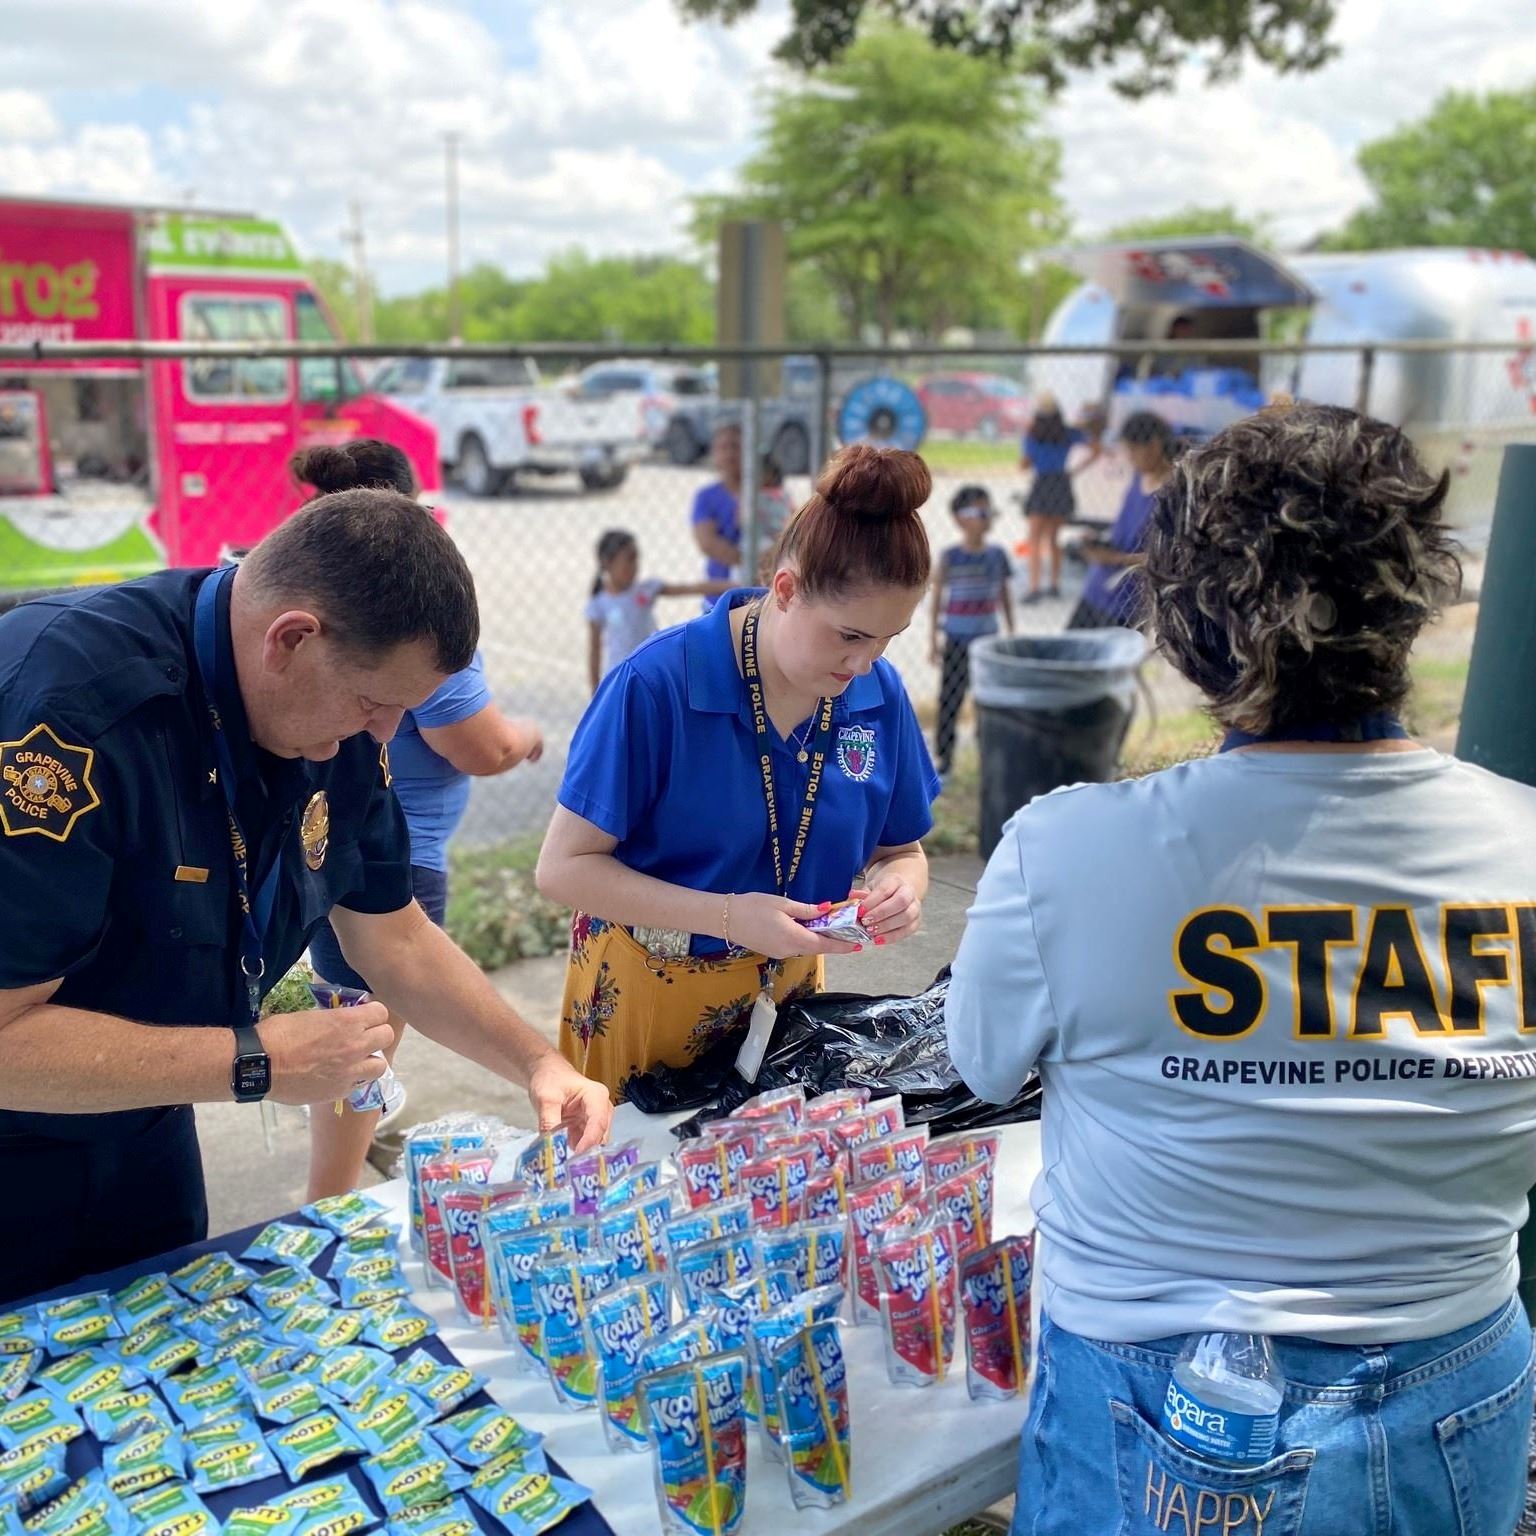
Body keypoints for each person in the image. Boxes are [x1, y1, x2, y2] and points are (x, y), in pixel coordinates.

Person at [946, 402, 1536, 1536]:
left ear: (1183, 626)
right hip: (1451, 1390)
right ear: (1412, 603)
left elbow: (981, 1058)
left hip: (1143, 1391)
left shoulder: (1067, 852)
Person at [0, 489, 611, 1304]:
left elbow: (390, 933)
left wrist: (536, 1062)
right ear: (291, 639)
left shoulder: (332, 715)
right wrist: (255, 1061)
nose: (386, 733)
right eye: (375, 702)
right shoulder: (67, 717)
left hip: (143, 1115)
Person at [538, 444, 942, 1099]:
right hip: (650, 989)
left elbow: (903, 848)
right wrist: (727, 916)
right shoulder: (657, 685)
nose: (866, 662)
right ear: (785, 590)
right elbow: (562, 869)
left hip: (789, 994)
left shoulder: (875, 692)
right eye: (849, 636)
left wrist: (900, 887)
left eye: (888, 638)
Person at [288, 443, 544, 1199]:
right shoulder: (411, 618)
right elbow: (481, 744)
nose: (383, 726)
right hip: (392, 865)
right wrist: (527, 737)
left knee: (356, 1037)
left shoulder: (345, 609)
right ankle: (328, 1203)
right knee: (359, 1046)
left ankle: (339, 1170)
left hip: (338, 852)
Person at [929, 485, 1014, 777]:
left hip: (987, 640)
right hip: (956, 639)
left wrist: (1012, 633)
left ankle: (988, 754)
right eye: (979, 512)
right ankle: (945, 759)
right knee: (950, 700)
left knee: (987, 699)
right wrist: (932, 640)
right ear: (960, 519)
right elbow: (937, 599)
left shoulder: (998, 555)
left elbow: (1004, 595)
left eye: (988, 511)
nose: (986, 518)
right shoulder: (950, 556)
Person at [1065, 411, 1175, 631]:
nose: (1130, 458)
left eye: (1134, 450)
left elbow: (1169, 560)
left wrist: (1117, 560)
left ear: (1154, 446)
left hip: (1129, 603)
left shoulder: (1172, 492)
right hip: (1097, 591)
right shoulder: (1138, 478)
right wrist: (1099, 542)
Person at [586, 530, 732, 691]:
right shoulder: (598, 605)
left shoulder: (646, 590)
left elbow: (691, 588)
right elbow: (595, 650)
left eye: (636, 558)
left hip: (650, 669)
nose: (635, 566)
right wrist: (595, 689)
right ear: (608, 563)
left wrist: (734, 586)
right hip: (619, 677)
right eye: (629, 559)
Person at [1020, 393, 1100, 603]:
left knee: (1034, 538)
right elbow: (1096, 448)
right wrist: (1074, 470)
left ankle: (1034, 587)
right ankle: (1054, 585)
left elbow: (1025, 464)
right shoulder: (1068, 433)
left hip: (1042, 483)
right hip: (1061, 483)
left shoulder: (1033, 434)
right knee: (1053, 538)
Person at [690, 422, 742, 609]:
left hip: (763, 596)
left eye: (735, 446)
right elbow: (708, 544)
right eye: (723, 448)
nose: (729, 454)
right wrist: (751, 562)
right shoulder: (706, 497)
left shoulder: (767, 493)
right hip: (719, 599)